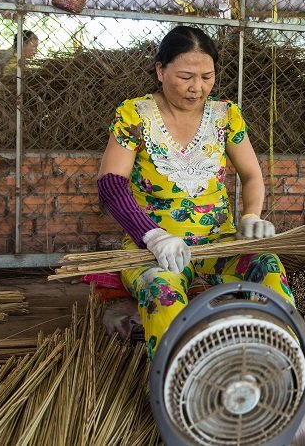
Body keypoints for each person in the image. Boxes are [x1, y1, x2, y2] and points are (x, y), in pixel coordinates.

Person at [96, 25, 294, 358]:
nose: (196, 88)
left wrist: (250, 217)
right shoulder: (134, 115)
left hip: (219, 242)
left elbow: (251, 175)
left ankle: (276, 364)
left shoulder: (225, 115)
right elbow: (111, 185)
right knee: (160, 289)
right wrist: (153, 236)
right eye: (186, 76)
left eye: (207, 77)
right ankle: (179, 383)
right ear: (160, 70)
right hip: (154, 249)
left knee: (268, 267)